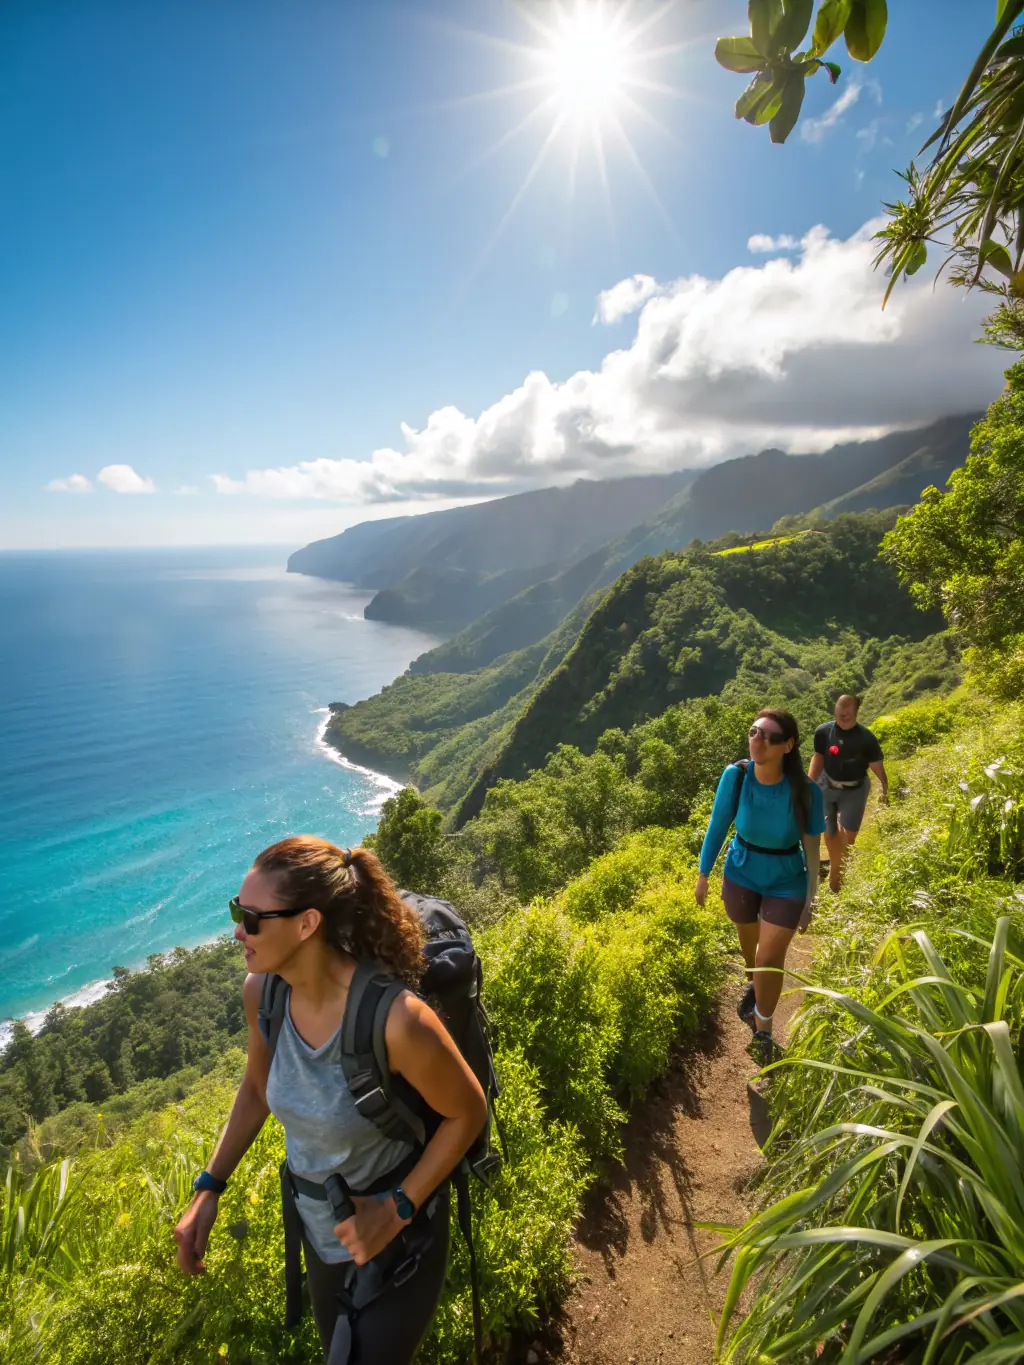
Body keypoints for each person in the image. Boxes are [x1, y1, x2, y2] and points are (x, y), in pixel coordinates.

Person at [173, 837, 487, 1365]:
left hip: (400, 1238)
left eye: (251, 918)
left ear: (306, 924)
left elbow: (468, 1110)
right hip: (321, 1235)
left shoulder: (396, 1020)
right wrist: (210, 1185)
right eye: (236, 911)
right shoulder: (264, 994)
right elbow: (255, 1089)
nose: (237, 930)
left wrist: (397, 1208)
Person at [694, 709, 824, 1068]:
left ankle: (763, 1029)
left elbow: (813, 852)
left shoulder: (806, 791)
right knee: (751, 953)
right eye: (754, 732)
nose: (758, 741)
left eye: (768, 736)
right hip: (741, 872)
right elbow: (718, 825)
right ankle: (754, 987)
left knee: (769, 958)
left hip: (786, 878)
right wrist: (703, 874)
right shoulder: (735, 776)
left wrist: (810, 899)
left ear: (788, 745)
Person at [809, 694, 888, 893]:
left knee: (849, 838)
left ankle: (839, 861)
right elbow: (818, 758)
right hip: (827, 785)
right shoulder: (823, 732)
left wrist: (885, 788)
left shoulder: (866, 738)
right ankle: (836, 876)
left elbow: (876, 766)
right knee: (830, 832)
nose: (842, 716)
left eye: (847, 714)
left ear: (855, 713)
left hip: (855, 790)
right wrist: (809, 784)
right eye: (839, 712)